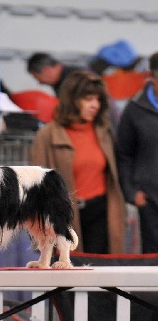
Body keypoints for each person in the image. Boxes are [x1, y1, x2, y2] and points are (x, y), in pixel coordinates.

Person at [32, 70, 125, 254]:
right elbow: (37, 185)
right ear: (73, 99)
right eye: (88, 99)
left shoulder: (104, 132)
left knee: (99, 272)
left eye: (98, 100)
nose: (95, 105)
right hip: (65, 213)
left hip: (100, 211)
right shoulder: (48, 135)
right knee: (67, 272)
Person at [116, 52, 158, 253]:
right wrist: (132, 192)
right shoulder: (134, 109)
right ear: (152, 76)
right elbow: (123, 154)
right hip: (149, 199)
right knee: (152, 257)